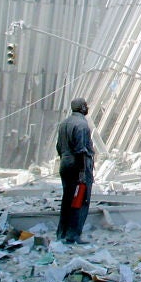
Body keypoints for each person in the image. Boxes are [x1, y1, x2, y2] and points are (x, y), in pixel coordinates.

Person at [56, 97, 95, 244]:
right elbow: (81, 150)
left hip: (65, 165)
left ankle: (62, 233)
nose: (87, 107)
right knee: (80, 200)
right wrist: (81, 173)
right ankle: (73, 235)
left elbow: (58, 147)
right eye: (86, 105)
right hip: (78, 167)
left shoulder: (64, 123)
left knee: (67, 200)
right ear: (82, 108)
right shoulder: (82, 125)